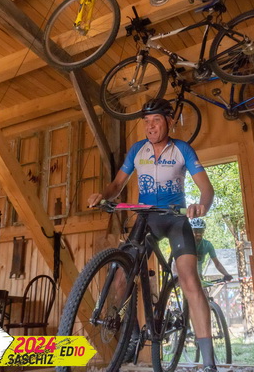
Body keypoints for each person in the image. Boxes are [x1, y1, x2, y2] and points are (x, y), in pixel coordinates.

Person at [88, 98, 219, 372]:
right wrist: (104, 194)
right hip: (145, 218)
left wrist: (202, 206)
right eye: (146, 122)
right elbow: (117, 184)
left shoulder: (182, 149)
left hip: (175, 219)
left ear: (169, 122)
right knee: (122, 276)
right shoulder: (138, 150)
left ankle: (209, 362)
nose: (150, 126)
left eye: (156, 120)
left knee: (189, 279)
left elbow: (207, 189)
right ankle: (132, 335)